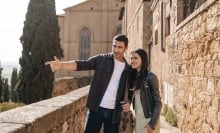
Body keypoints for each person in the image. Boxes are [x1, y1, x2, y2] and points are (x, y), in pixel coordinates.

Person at [45, 34, 129, 133]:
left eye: (119, 47)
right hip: (96, 109)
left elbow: (131, 89)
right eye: (114, 46)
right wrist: (61, 65)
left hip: (114, 113)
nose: (116, 50)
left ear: (126, 48)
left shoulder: (128, 69)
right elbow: (81, 64)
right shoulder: (102, 59)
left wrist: (129, 102)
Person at [121, 48, 162, 133]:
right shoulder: (134, 77)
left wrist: (152, 124)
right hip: (138, 120)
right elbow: (132, 97)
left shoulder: (151, 77)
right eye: (131, 58)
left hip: (149, 121)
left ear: (142, 59)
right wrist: (128, 102)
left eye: (136, 58)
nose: (132, 60)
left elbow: (158, 102)